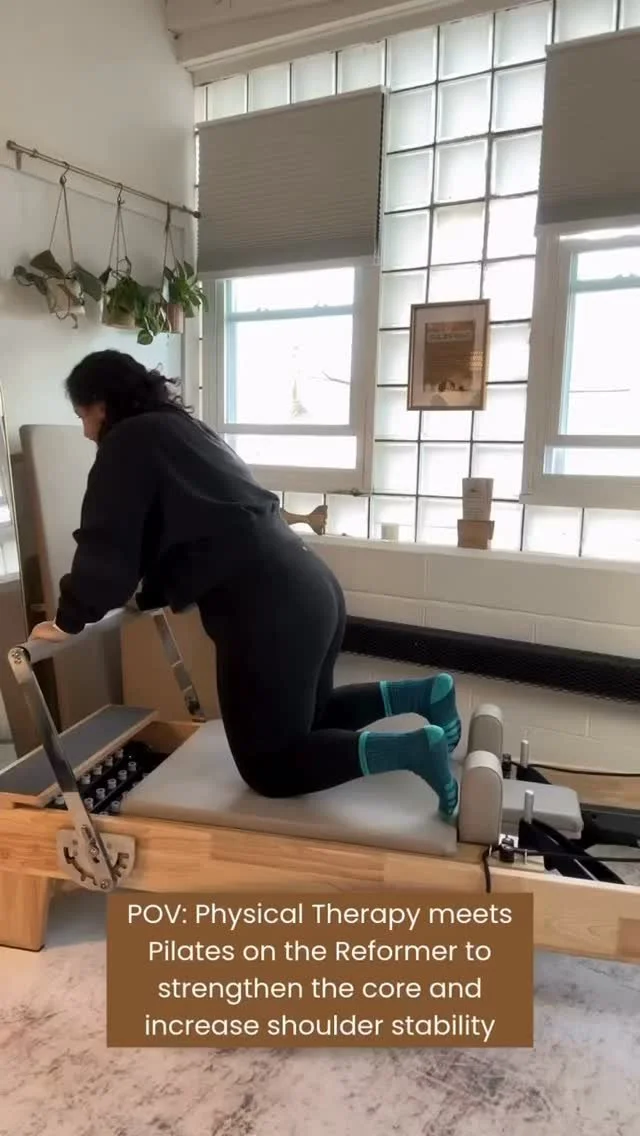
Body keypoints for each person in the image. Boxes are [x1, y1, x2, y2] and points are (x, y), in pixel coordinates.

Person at [31, 350, 461, 819]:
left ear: (101, 403)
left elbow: (108, 545)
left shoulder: (125, 442)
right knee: (310, 718)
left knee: (269, 767)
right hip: (309, 586)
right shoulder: (183, 428)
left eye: (83, 416)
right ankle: (422, 695)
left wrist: (69, 618)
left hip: (266, 609)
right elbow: (191, 526)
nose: (86, 431)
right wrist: (146, 595)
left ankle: (412, 750)